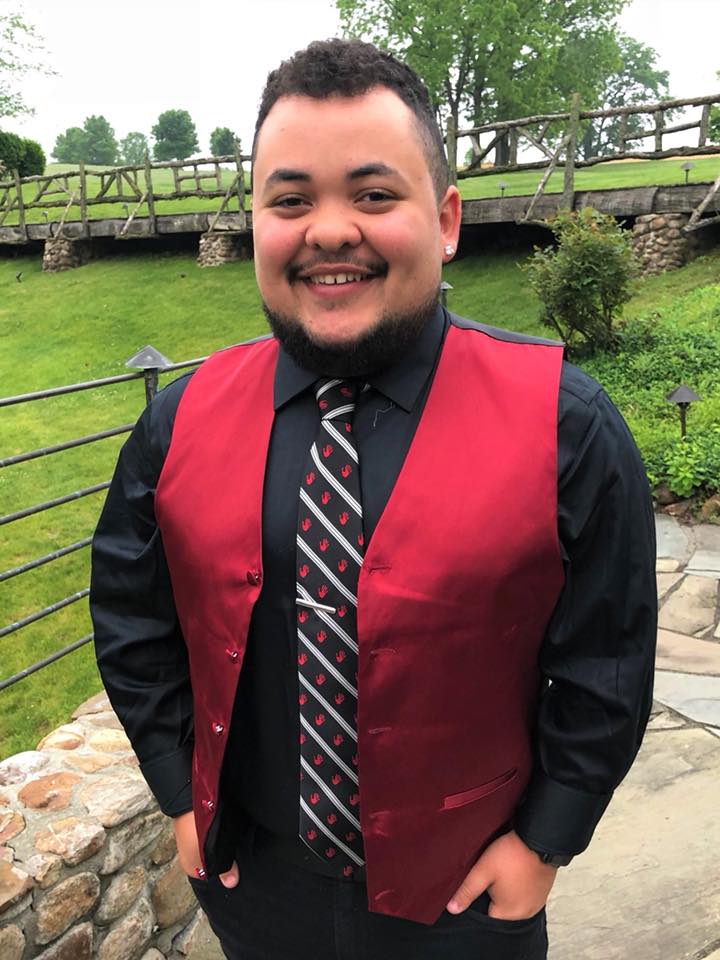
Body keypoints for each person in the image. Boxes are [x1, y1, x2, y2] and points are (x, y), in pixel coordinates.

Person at [90, 38, 657, 960]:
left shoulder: (566, 422)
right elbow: (130, 613)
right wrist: (174, 789)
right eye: (291, 199)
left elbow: (609, 659)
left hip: (467, 906)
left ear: (445, 219)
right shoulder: (179, 420)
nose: (328, 229)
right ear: (255, 223)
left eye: (374, 194)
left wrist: (548, 837)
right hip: (255, 888)